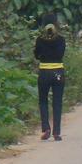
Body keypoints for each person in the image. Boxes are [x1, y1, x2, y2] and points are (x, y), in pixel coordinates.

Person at [34, 13, 66, 141]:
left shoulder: (39, 40)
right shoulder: (61, 40)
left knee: (43, 101)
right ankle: (57, 132)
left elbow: (36, 55)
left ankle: (46, 128)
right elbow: (61, 54)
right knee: (57, 102)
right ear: (56, 24)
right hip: (58, 72)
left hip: (44, 73)